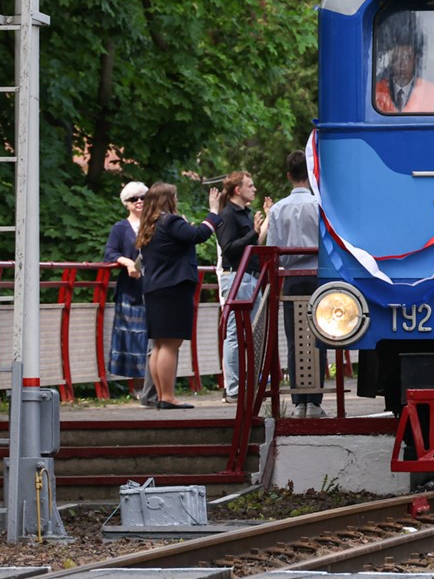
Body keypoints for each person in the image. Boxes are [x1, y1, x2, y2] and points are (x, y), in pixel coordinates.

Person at [137, 182, 222, 409]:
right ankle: (168, 397)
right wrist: (213, 212)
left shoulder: (150, 225)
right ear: (167, 199)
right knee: (171, 344)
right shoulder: (170, 221)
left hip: (154, 288)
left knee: (159, 345)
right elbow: (198, 235)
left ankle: (161, 396)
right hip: (173, 288)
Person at [270, 149, 327, 417]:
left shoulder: (278, 209)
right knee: (320, 336)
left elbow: (272, 248)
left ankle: (298, 402)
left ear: (289, 176)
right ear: (310, 173)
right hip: (318, 276)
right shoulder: (320, 205)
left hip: (291, 279)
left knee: (294, 339)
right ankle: (315, 401)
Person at [215, 171, 270, 403]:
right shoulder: (228, 214)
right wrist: (253, 233)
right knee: (235, 333)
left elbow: (254, 242)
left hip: (251, 276)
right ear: (238, 189)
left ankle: (250, 383)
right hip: (237, 276)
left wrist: (266, 221)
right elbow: (228, 248)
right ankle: (234, 388)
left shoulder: (245, 213)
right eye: (250, 185)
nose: (254, 189)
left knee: (253, 331)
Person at [103, 181, 154, 406]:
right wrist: (127, 263)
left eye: (143, 197)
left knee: (153, 337)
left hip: (153, 288)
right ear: (127, 203)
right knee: (132, 337)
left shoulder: (156, 225)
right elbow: (109, 253)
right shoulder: (120, 228)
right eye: (134, 199)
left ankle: (152, 387)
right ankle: (138, 387)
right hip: (130, 290)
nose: (140, 201)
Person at [373, 16, 434, 113]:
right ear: (390, 61)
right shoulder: (376, 90)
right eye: (396, 58)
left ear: (415, 60)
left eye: (407, 58)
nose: (401, 64)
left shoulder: (432, 92)